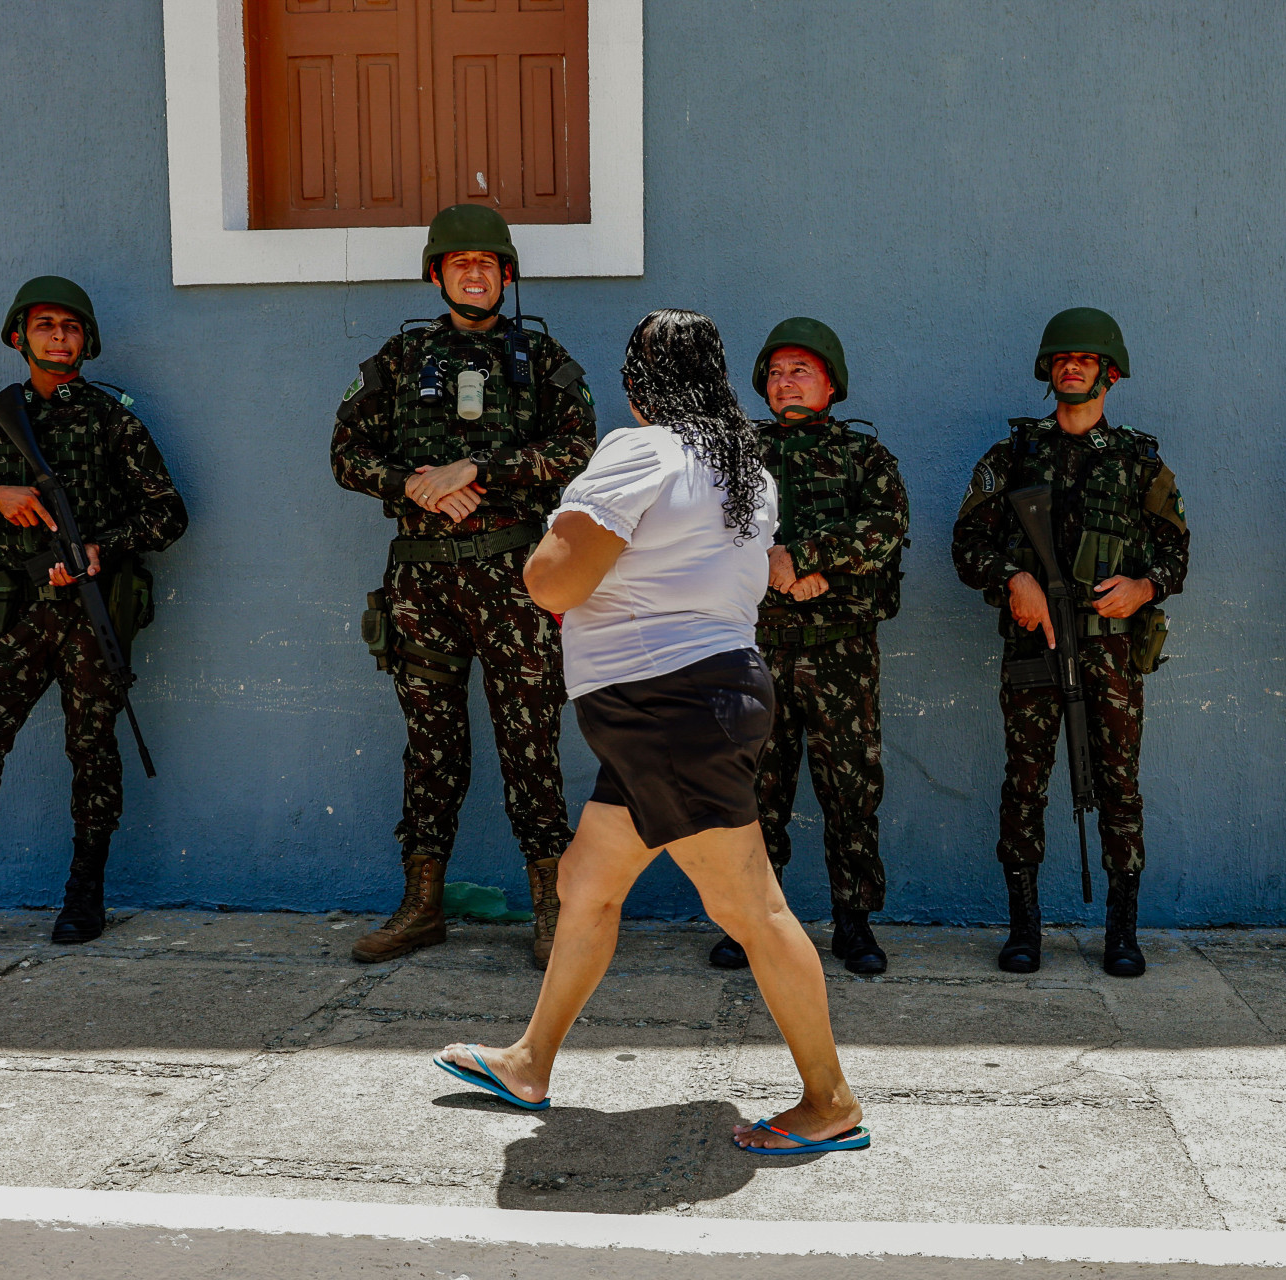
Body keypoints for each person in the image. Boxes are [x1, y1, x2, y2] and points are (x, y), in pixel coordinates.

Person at [433, 309, 867, 1155]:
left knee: (751, 906)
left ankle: (831, 1101)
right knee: (588, 880)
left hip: (667, 712)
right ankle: (528, 1062)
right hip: (696, 703)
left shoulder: (642, 450)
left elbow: (554, 584)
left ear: (637, 386)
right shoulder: (745, 468)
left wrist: (539, 552)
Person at [330, 205, 596, 968]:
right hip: (420, 578)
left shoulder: (541, 357)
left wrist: (479, 470)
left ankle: (551, 906)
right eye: (458, 264)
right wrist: (412, 487)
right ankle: (422, 904)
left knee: (530, 740)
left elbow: (579, 447)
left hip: (514, 573)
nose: (473, 273)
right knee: (430, 743)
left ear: (506, 276)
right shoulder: (402, 355)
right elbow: (346, 452)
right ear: (437, 275)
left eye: (487, 263)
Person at [0, 276, 187, 958]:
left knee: (92, 752)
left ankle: (85, 894)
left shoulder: (114, 420)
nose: (60, 336)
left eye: (71, 327)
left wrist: (99, 549)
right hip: (15, 614)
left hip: (90, 616)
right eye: (46, 325)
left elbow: (168, 513)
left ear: (87, 341)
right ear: (19, 336)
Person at [951, 308, 1189, 978]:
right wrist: (1013, 579)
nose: (1072, 367)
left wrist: (1144, 589)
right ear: (1048, 372)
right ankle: (1024, 928)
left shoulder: (1141, 463)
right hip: (1036, 646)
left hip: (1112, 651)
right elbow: (967, 546)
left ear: (1109, 373)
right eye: (1061, 359)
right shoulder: (1011, 458)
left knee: (1118, 786)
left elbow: (1177, 554)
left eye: (1085, 360)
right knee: (1024, 785)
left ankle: (1122, 932)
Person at [707, 318, 908, 975]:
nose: (785, 381)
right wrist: (773, 564)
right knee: (753, 792)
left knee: (851, 794)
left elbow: (885, 528)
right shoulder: (737, 456)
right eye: (775, 371)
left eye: (801, 370)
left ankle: (853, 926)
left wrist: (810, 556)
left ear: (831, 384)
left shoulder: (864, 457)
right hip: (757, 649)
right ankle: (749, 924)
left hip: (840, 654)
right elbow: (708, 532)